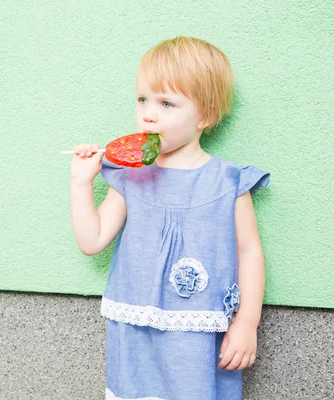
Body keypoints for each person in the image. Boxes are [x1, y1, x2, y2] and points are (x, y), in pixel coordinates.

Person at [69, 36, 271, 400]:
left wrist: (246, 323)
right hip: (135, 333)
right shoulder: (131, 175)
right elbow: (92, 240)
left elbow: (249, 252)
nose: (148, 113)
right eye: (143, 99)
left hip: (196, 336)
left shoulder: (228, 182)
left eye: (166, 103)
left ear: (205, 116)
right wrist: (81, 182)